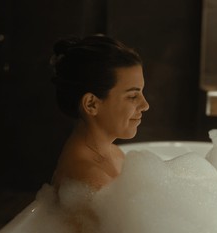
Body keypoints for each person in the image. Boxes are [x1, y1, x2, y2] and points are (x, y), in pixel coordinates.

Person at [50, 35, 150, 191]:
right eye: (132, 96)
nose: (145, 105)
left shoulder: (113, 154)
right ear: (91, 104)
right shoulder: (88, 181)